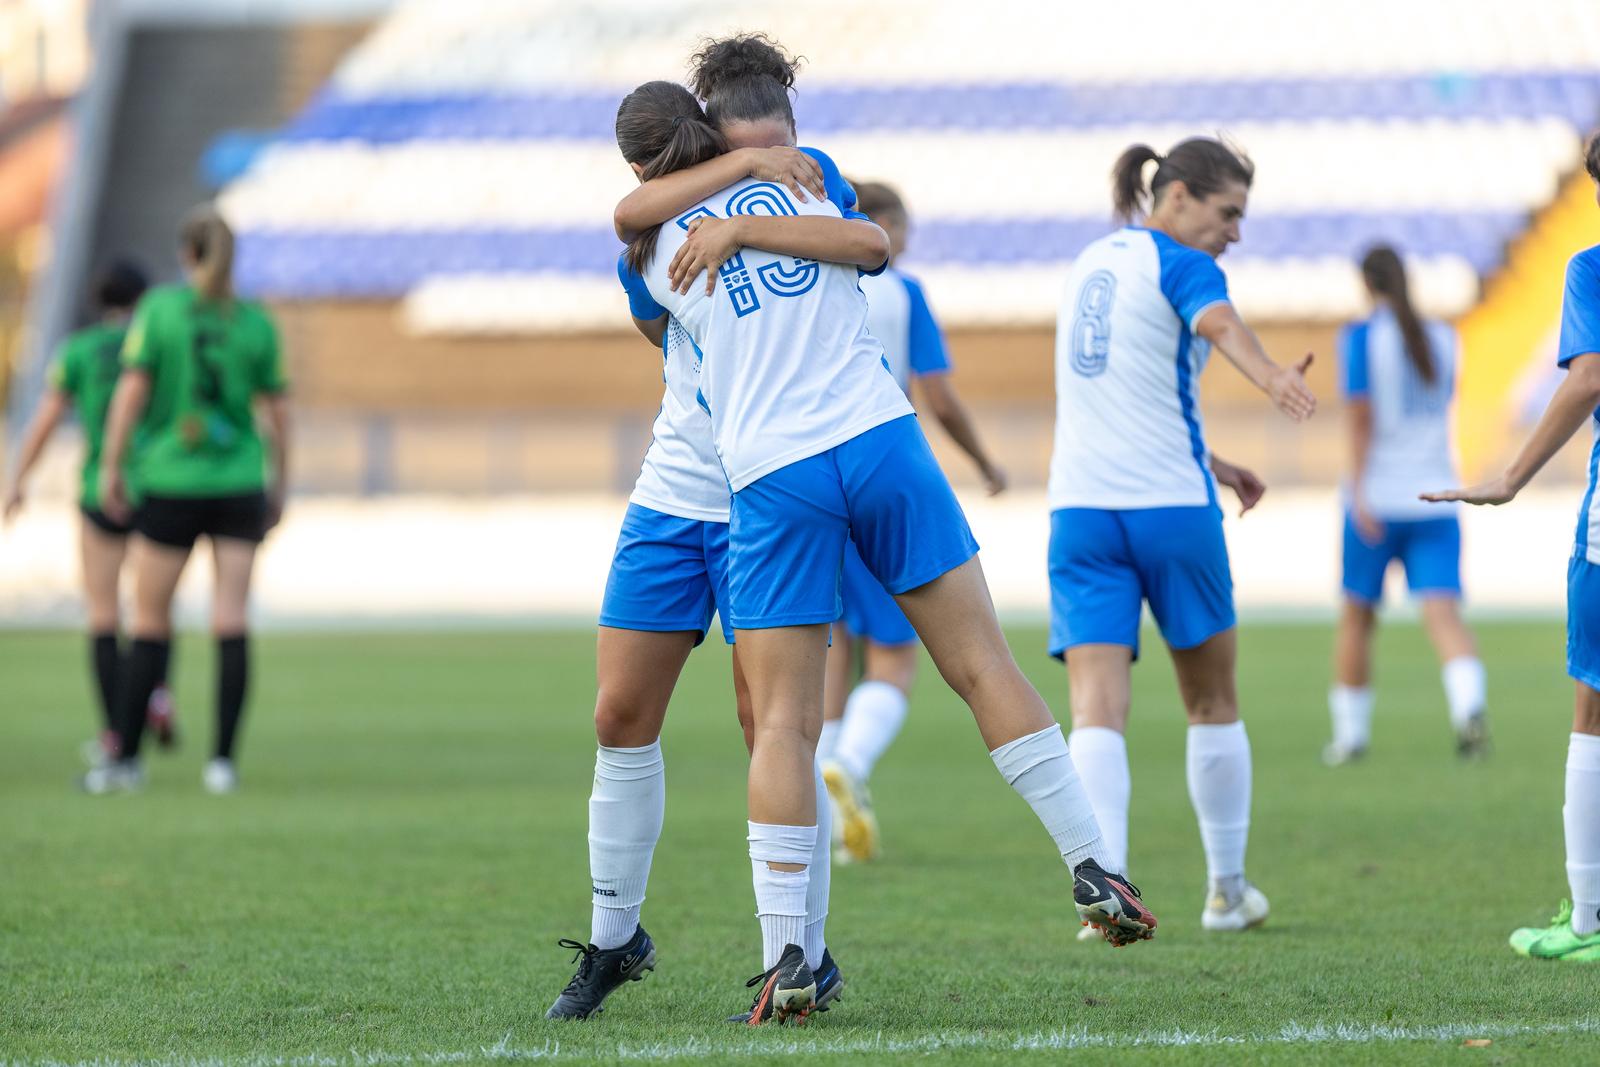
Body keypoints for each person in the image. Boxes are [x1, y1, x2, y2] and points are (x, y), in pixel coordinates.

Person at [615, 74, 1154, 1026]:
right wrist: (755, 196)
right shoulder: (804, 172)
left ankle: (789, 951)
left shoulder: (650, 245)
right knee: (982, 661)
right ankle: (1090, 862)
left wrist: (725, 226)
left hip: (772, 475)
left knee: (783, 723)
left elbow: (638, 238)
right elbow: (870, 245)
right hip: (880, 443)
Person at [547, 143, 865, 1021]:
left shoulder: (797, 191)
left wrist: (753, 184)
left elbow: (856, 236)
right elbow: (638, 251)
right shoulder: (647, 246)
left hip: (763, 494)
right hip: (671, 494)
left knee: (771, 728)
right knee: (619, 714)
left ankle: (797, 955)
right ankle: (616, 938)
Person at [1049, 137, 1316, 936]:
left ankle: (1108, 895)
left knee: (1096, 709)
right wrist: (1271, 375)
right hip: (1169, 509)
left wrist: (1223, 461)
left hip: (1080, 514)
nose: (1234, 231)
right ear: (1180, 197)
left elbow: (1129, 399)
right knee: (1212, 700)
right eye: (1228, 212)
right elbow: (1221, 321)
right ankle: (1227, 892)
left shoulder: (1090, 262)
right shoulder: (1181, 260)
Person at [1421, 132, 1600, 963]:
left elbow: (1591, 374)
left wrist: (1512, 476)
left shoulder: (1592, 267)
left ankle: (1590, 920)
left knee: (1593, 709)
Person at [817, 179, 1008, 864]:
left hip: (808, 480)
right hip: (882, 475)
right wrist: (985, 462)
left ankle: (825, 822)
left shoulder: (811, 280)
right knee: (896, 659)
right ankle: (852, 767)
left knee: (829, 657)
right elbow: (940, 397)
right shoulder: (902, 290)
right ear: (886, 225)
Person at [84, 207, 289, 796]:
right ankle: (221, 764)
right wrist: (280, 482)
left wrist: (114, 465)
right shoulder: (255, 323)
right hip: (239, 481)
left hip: (172, 480)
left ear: (185, 256)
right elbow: (279, 416)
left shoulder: (161, 311)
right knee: (230, 618)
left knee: (148, 619)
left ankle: (124, 762)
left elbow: (130, 393)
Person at [4, 260, 177, 760]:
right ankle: (157, 692)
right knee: (152, 611)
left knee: (104, 612)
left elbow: (46, 418)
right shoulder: (158, 347)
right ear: (143, 300)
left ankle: (114, 733)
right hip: (155, 485)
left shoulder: (77, 351)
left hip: (100, 487)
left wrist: (18, 479)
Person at [1325, 245, 1487, 766]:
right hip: (1438, 495)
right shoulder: (1445, 336)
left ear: (1366, 284)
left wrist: (1358, 493)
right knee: (1444, 615)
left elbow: (1360, 421)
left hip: (1380, 496)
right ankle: (1469, 710)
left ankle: (1350, 738)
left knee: (1357, 616)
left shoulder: (1362, 338)